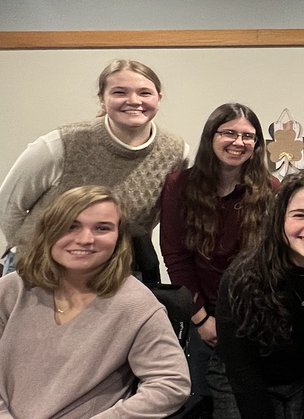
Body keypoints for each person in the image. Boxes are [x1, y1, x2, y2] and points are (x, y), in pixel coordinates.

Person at [0, 185, 190, 417]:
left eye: (102, 228)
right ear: (49, 231)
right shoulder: (12, 289)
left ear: (118, 238)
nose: (85, 239)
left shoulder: (136, 305)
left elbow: (171, 383)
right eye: (71, 227)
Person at [0, 59, 187, 275]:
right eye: (119, 92)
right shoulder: (61, 143)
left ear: (159, 98)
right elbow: (9, 206)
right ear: (102, 100)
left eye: (144, 93)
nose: (134, 101)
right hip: (39, 267)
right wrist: (33, 254)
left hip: (112, 273)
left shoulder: (177, 153)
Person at [159, 102, 277, 410]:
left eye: (248, 137)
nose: (238, 143)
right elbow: (175, 256)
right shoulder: (179, 186)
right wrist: (201, 320)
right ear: (211, 136)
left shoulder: (270, 189)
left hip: (255, 319)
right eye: (229, 133)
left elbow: (273, 259)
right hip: (205, 318)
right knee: (208, 405)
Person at [216, 171, 304, 418]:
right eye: (299, 215)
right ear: (279, 220)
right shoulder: (240, 278)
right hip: (245, 379)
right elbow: (241, 367)